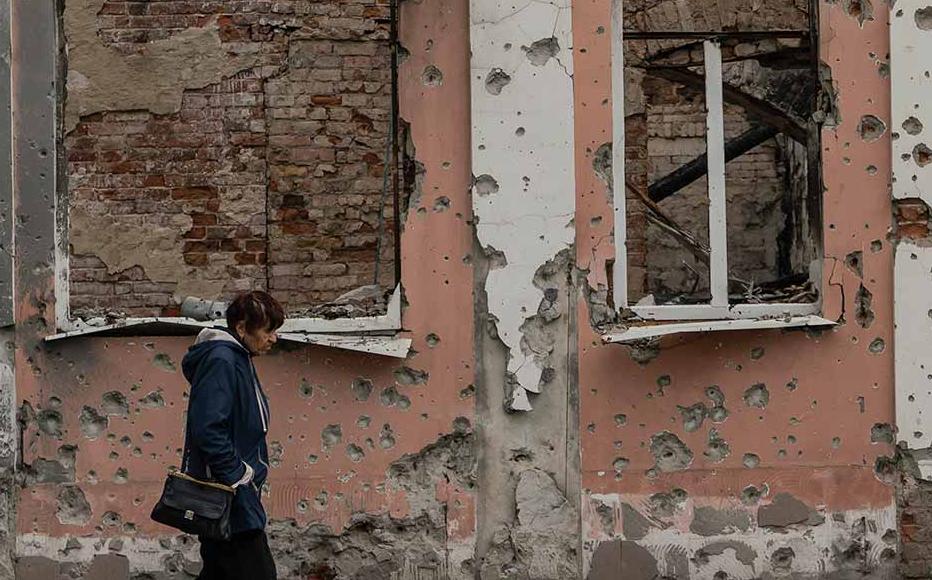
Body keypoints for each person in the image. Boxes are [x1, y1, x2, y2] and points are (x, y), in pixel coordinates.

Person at [180, 290, 284, 580]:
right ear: (241, 327)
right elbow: (208, 427)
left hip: (232, 494)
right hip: (229, 496)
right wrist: (239, 476)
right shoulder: (223, 360)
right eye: (268, 330)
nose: (274, 338)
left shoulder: (237, 357)